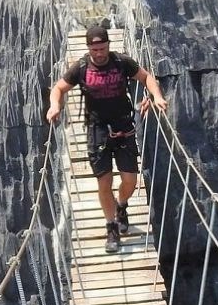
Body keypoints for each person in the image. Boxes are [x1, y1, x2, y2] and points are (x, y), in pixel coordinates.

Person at [46, 25, 168, 253]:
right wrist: (55, 105)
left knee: (130, 180)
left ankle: (121, 205)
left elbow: (146, 77)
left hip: (124, 127)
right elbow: (59, 88)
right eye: (94, 50)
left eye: (102, 48)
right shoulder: (81, 67)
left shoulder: (121, 62)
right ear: (88, 48)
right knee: (104, 182)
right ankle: (111, 227)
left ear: (108, 46)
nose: (99, 53)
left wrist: (157, 96)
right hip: (97, 130)